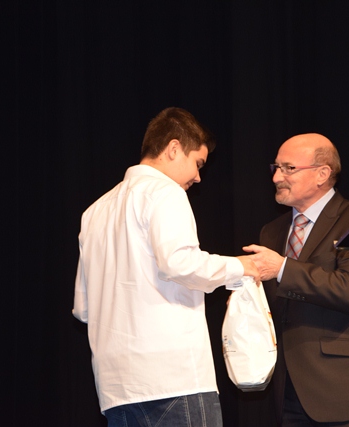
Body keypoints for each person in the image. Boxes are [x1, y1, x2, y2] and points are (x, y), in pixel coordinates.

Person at [73, 107, 259, 427]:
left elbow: (83, 309)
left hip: (115, 388)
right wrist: (242, 267)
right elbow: (180, 263)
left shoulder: (93, 212)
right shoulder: (165, 191)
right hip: (173, 380)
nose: (198, 177)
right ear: (174, 148)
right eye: (198, 163)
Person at [243, 133, 349, 427]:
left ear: (322, 174)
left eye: (288, 168)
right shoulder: (271, 231)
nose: (276, 177)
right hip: (286, 393)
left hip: (344, 393)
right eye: (276, 168)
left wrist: (283, 268)